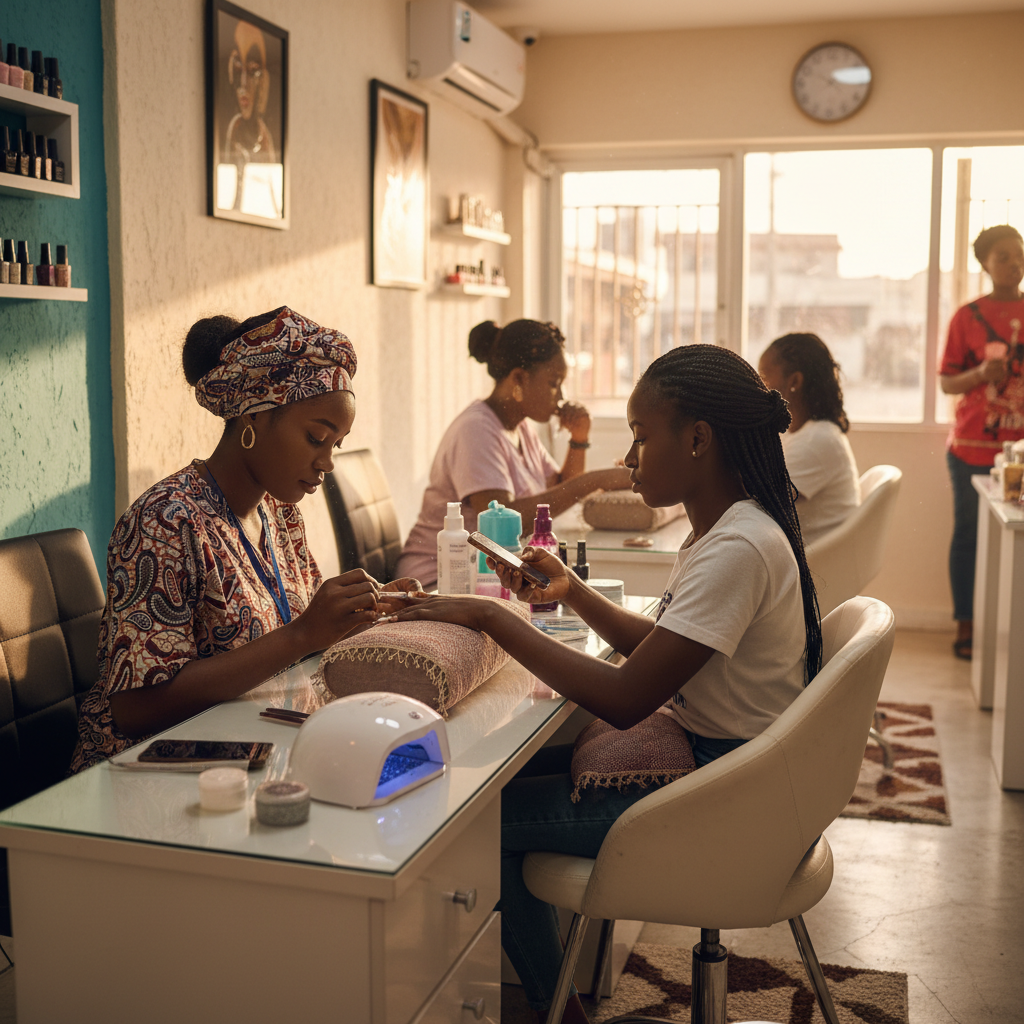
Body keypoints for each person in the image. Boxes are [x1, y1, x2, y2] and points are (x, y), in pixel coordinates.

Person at [392, 343, 821, 1023]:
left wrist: (490, 619)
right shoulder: (733, 531)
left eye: (643, 439)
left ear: (699, 439)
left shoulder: (737, 549)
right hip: (734, 774)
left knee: (479, 824)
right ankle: (566, 991)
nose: (627, 461)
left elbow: (627, 699)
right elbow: (659, 649)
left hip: (722, 797)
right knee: (490, 785)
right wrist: (570, 592)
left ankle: (559, 1012)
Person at [70, 306, 418, 773]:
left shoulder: (280, 513)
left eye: (335, 444)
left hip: (248, 753)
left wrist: (362, 612)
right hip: (145, 780)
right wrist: (303, 634)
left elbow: (301, 631)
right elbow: (135, 709)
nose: (327, 463)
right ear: (253, 418)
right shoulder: (165, 521)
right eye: (317, 437)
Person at [397, 319, 631, 585]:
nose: (561, 396)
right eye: (554, 383)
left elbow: (560, 489)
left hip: (481, 579)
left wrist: (578, 439)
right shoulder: (476, 430)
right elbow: (499, 524)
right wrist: (596, 481)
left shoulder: (520, 428)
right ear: (518, 378)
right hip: (438, 581)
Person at [939, 224, 1024, 660]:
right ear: (985, 263)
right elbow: (947, 382)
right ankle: (966, 626)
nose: (1014, 262)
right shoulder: (966, 317)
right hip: (972, 449)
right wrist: (979, 376)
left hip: (1021, 455)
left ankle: (1013, 631)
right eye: (1004, 255)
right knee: (970, 537)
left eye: (1019, 254)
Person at [757, 332, 860, 545]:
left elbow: (757, 503)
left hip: (811, 567)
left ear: (794, 381)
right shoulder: (799, 433)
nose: (758, 387)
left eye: (764, 377)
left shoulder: (817, 440)